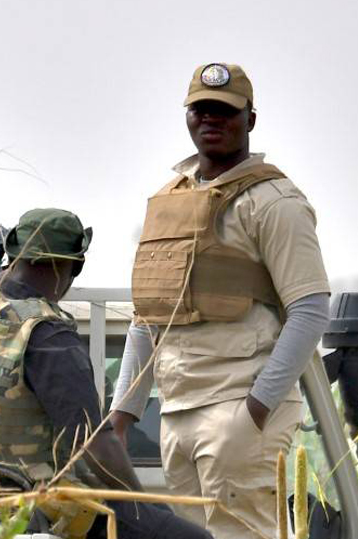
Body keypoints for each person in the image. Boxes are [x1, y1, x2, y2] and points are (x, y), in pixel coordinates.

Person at [111, 63, 331, 539]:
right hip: (177, 412)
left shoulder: (274, 202)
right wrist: (121, 415)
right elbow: (147, 314)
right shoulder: (169, 200)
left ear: (250, 119)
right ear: (188, 116)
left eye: (225, 111)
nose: (212, 119)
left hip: (237, 406)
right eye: (201, 109)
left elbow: (310, 309)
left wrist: (256, 408)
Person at [0, 208, 211, 539]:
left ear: (14, 256)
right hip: (25, 506)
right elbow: (96, 444)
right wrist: (143, 504)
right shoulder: (48, 335)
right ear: (73, 266)